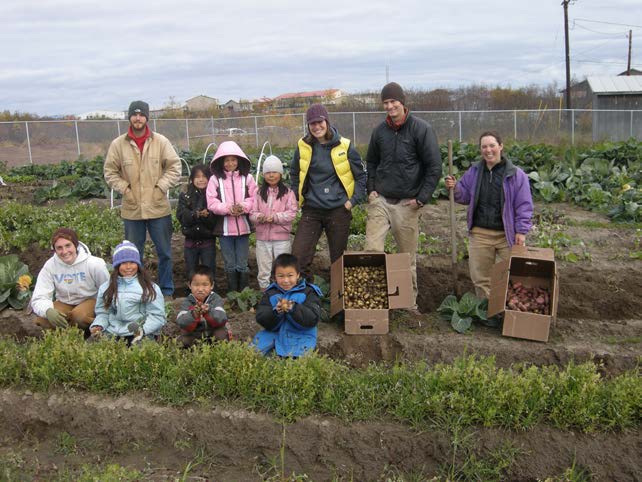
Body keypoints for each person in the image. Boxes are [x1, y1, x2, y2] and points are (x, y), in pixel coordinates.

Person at [364, 82, 442, 311]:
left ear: (402, 102)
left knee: (406, 257)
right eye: (385, 103)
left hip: (408, 204)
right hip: (381, 201)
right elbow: (371, 162)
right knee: (372, 250)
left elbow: (434, 166)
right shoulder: (379, 132)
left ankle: (408, 303)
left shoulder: (421, 129)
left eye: (393, 102)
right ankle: (375, 298)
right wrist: (371, 190)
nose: (389, 106)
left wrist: (421, 198)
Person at [103, 100, 181, 297]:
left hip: (158, 208)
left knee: (164, 252)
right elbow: (110, 172)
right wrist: (125, 189)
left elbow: (174, 167)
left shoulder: (160, 142)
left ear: (147, 117)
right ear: (129, 117)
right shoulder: (118, 145)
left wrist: (160, 187)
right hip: (132, 209)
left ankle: (166, 290)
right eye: (134, 114)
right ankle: (136, 292)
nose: (138, 118)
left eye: (141, 114)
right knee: (133, 255)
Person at [445, 131, 534, 299]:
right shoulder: (475, 171)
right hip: (480, 234)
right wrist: (455, 187)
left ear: (500, 146)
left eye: (492, 145)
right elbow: (463, 196)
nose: (488, 150)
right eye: (484, 147)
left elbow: (524, 205)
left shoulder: (515, 175)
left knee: (513, 275)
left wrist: (521, 231)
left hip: (506, 235)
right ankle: (486, 312)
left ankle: (510, 311)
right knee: (481, 278)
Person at [290, 103, 366, 281]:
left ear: (327, 121)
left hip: (338, 210)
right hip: (312, 210)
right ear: (308, 126)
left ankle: (338, 301)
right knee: (299, 256)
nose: (316, 127)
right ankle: (309, 295)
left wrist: (352, 201)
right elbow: (294, 172)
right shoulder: (303, 146)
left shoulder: (344, 146)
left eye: (320, 122)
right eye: (312, 123)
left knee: (338, 260)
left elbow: (361, 177)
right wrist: (296, 194)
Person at [31, 228, 110, 333]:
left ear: (75, 245)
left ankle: (94, 328)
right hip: (65, 302)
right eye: (59, 248)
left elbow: (108, 291)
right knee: (42, 320)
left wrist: (105, 314)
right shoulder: (50, 266)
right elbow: (39, 297)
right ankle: (71, 333)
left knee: (78, 317)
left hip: (91, 301)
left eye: (68, 246)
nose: (64, 251)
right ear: (54, 249)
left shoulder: (94, 264)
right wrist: (48, 311)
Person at [206, 141, 258, 293]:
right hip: (225, 230)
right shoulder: (215, 179)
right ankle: (232, 293)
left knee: (242, 263)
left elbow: (254, 198)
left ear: (239, 160)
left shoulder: (247, 178)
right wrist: (228, 208)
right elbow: (212, 202)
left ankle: (243, 293)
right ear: (221, 162)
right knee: (229, 263)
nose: (230, 163)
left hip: (243, 228)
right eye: (226, 160)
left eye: (233, 160)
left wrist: (243, 207)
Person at [90, 241, 166, 343]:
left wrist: (142, 330)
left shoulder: (150, 287)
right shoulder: (106, 287)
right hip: (113, 331)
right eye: (124, 263)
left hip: (141, 332)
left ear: (138, 264)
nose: (129, 267)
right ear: (117, 266)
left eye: (132, 262)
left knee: (140, 354)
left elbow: (157, 316)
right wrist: (98, 325)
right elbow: (103, 313)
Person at [253, 253, 322, 357]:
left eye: (290, 275)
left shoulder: (309, 292)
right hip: (273, 336)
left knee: (294, 363)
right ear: (274, 276)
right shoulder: (270, 293)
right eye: (281, 276)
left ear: (298, 275)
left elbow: (313, 318)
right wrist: (275, 312)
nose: (286, 280)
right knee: (253, 355)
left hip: (300, 337)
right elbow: (261, 316)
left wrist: (294, 308)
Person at [249, 155, 298, 290]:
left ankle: (283, 292)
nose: (271, 175)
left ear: (280, 174)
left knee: (283, 268)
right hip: (262, 238)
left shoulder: (288, 193)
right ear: (264, 175)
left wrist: (275, 217)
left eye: (274, 172)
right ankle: (264, 292)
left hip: (281, 238)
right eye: (268, 173)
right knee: (264, 268)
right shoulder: (258, 193)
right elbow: (252, 213)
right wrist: (260, 217)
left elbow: (292, 213)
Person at [176, 164, 219, 281]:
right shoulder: (185, 195)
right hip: (190, 241)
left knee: (209, 270)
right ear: (192, 179)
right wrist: (195, 215)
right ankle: (192, 293)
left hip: (208, 240)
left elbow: (215, 219)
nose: (201, 180)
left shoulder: (214, 195)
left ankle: (211, 293)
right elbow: (181, 215)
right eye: (197, 176)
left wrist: (207, 216)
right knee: (191, 270)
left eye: (204, 176)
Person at [175, 265, 229, 348]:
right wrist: (194, 313)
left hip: (213, 333)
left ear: (212, 285)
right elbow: (181, 322)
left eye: (205, 285)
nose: (200, 289)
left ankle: (218, 352)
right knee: (183, 339)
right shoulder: (187, 302)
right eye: (196, 285)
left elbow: (222, 318)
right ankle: (192, 354)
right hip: (196, 335)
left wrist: (209, 311)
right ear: (189, 285)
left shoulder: (215, 299)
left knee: (221, 334)